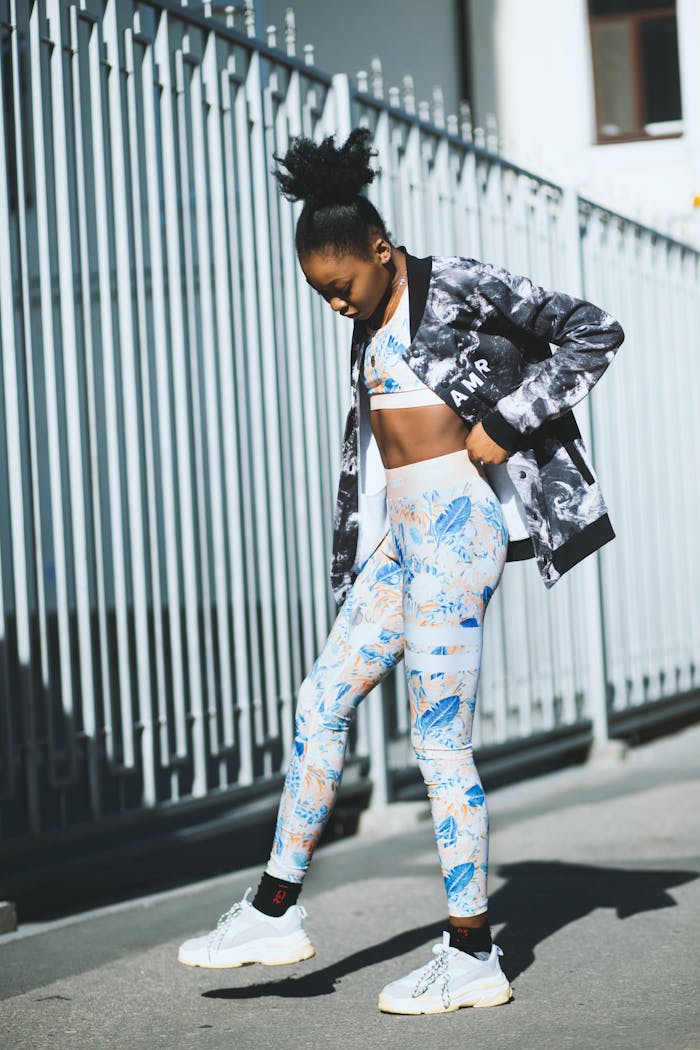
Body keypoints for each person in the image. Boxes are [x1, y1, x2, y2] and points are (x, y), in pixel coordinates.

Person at [177, 128, 624, 1014]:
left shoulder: (454, 284)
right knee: (319, 700)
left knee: (437, 740)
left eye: (340, 287)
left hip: (459, 526)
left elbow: (591, 329)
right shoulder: (371, 317)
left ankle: (471, 956)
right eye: (320, 296)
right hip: (401, 541)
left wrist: (507, 418)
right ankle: (274, 910)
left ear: (380, 252)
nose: (335, 307)